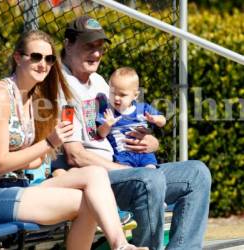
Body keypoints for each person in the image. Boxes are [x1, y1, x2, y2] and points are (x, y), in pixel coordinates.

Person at [0, 30, 148, 250]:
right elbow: (0, 163)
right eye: (36, 57)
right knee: (87, 203)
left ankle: (121, 245)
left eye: (49, 59)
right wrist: (49, 143)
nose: (44, 64)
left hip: (21, 185)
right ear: (17, 57)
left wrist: (37, 154)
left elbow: (35, 162)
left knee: (95, 174)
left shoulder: (35, 99)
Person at [52, 15, 212, 250]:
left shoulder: (99, 82)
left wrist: (150, 142)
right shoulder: (59, 86)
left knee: (197, 173)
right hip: (92, 178)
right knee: (149, 179)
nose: (96, 54)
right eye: (88, 46)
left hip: (122, 169)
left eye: (100, 48)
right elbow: (76, 156)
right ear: (68, 44)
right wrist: (130, 170)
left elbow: (127, 122)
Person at [96, 67, 166, 169]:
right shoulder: (107, 111)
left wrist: (155, 119)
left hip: (144, 153)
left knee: (151, 171)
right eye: (113, 93)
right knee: (129, 174)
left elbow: (163, 120)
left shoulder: (142, 108)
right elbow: (100, 133)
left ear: (135, 95)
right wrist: (107, 125)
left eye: (122, 95)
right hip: (122, 155)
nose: (116, 98)